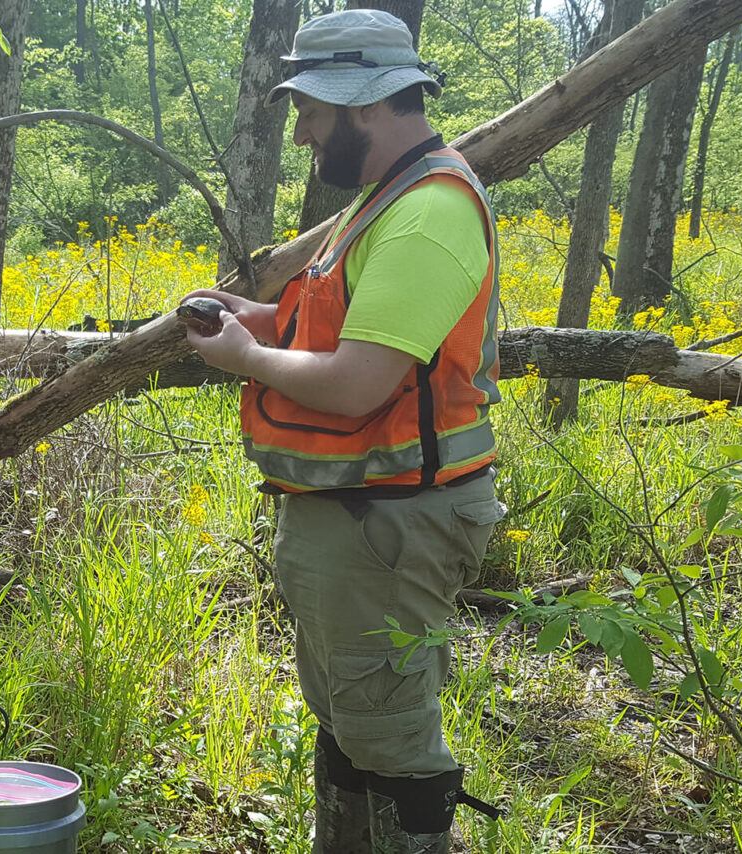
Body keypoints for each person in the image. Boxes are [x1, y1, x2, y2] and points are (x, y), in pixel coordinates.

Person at [181, 10, 505, 854]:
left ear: (364, 105)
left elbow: (361, 380)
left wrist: (249, 358)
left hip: (391, 522)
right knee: (351, 719)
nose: (302, 134)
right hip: (356, 517)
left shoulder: (430, 210)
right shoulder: (383, 197)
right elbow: (349, 332)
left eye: (312, 112)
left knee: (390, 734)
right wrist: (257, 319)